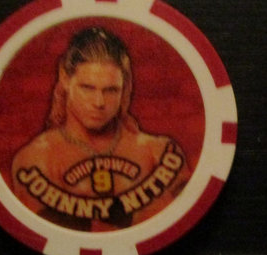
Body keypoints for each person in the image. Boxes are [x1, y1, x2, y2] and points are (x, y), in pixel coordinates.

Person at [12, 27, 190, 231]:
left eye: (111, 90)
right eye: (87, 88)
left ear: (125, 87)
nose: (99, 102)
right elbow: (55, 236)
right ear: (65, 79)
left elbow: (185, 221)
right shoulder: (38, 159)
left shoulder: (159, 153)